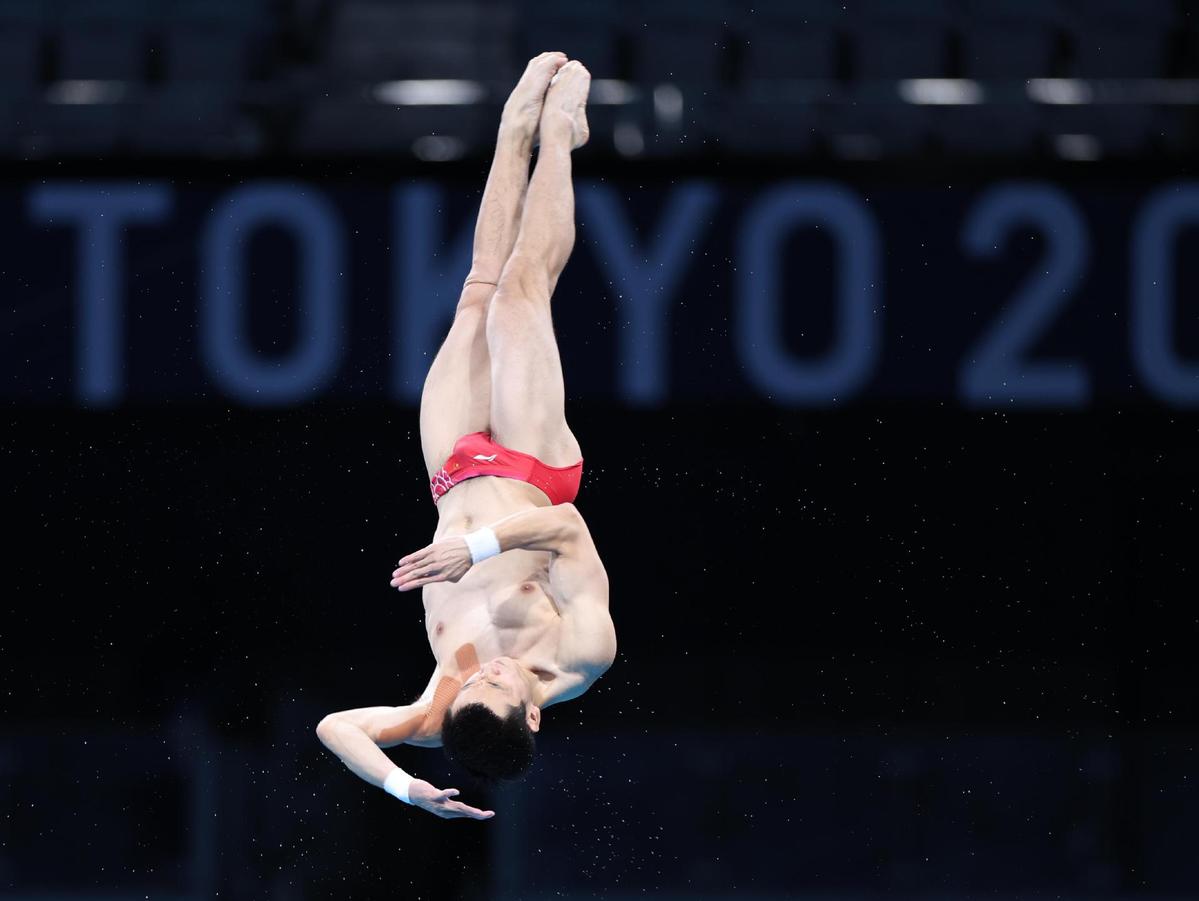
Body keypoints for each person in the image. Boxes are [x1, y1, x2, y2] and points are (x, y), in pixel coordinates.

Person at [316, 53, 616, 821]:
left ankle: (511, 135)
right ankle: (557, 138)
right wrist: (474, 551)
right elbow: (568, 528)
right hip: (534, 469)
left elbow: (334, 726)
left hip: (450, 475)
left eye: (473, 684)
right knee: (521, 293)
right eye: (500, 685)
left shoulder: (437, 707)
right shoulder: (582, 652)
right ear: (535, 711)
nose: (487, 670)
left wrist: (398, 782)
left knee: (478, 291)